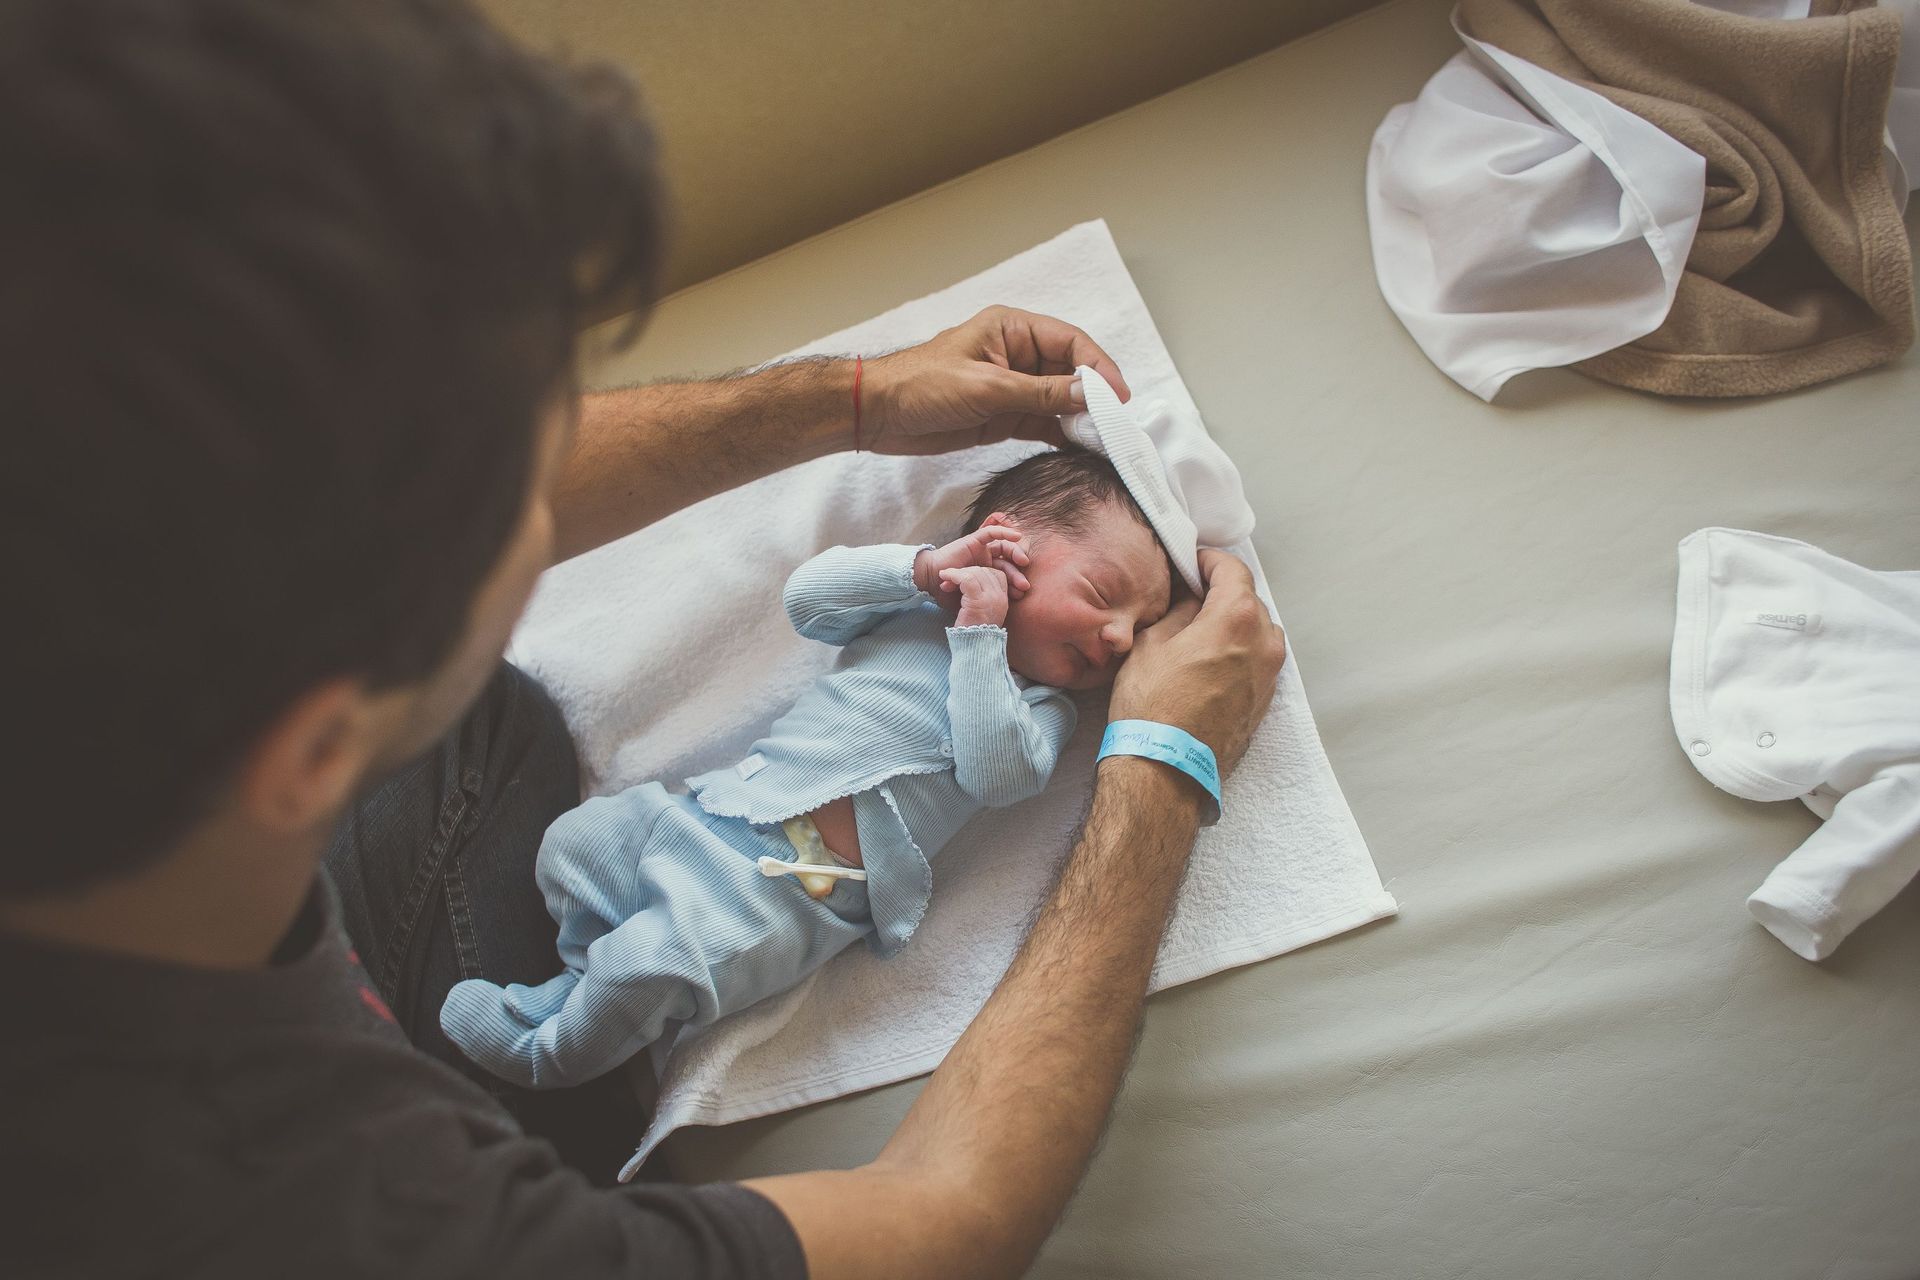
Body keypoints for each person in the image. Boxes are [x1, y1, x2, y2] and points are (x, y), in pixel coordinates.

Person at [0, 2, 1287, 1278]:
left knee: (505, 726)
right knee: (623, 977)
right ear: (314, 748)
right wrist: (1161, 767)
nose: (551, 495)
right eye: (509, 492)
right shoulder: (386, 1219)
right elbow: (950, 1225)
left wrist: (859, 397)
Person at [440, 452, 1177, 1090]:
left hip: (794, 890)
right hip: (712, 812)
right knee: (576, 845)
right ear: (1004, 545)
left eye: (1140, 629)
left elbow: (998, 775)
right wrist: (923, 570)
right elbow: (808, 603)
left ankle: (548, 1055)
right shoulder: (914, 608)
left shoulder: (1040, 708)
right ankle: (576, 983)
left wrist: (981, 640)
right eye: (1103, 597)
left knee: (654, 965)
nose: (1120, 638)